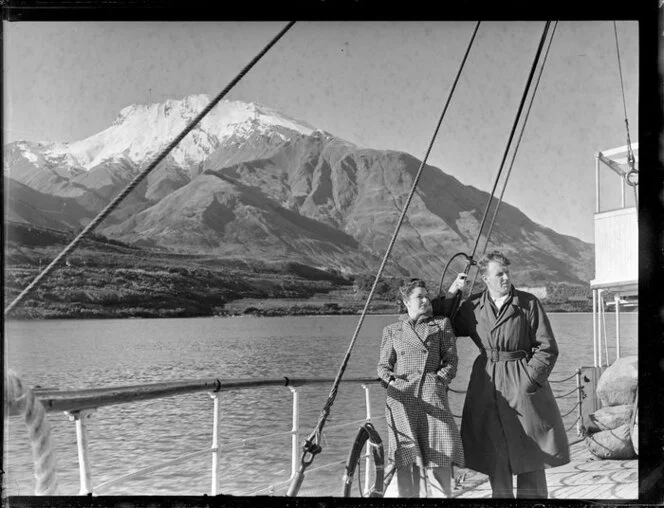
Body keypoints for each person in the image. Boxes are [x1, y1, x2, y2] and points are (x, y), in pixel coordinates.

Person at [435, 251, 570, 498]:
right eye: (500, 274)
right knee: (495, 453)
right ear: (485, 278)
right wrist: (453, 292)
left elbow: (547, 347)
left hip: (522, 379)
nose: (506, 278)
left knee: (531, 451)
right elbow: (441, 323)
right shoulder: (473, 306)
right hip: (487, 385)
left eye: (507, 272)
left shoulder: (528, 303)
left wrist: (529, 381)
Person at [377, 278, 464, 497]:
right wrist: (391, 382)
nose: (426, 300)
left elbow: (451, 361)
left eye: (427, 295)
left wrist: (439, 381)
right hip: (401, 401)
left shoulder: (441, 325)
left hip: (431, 396)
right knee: (406, 460)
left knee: (441, 456)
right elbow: (383, 366)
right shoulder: (392, 330)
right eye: (420, 297)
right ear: (406, 302)